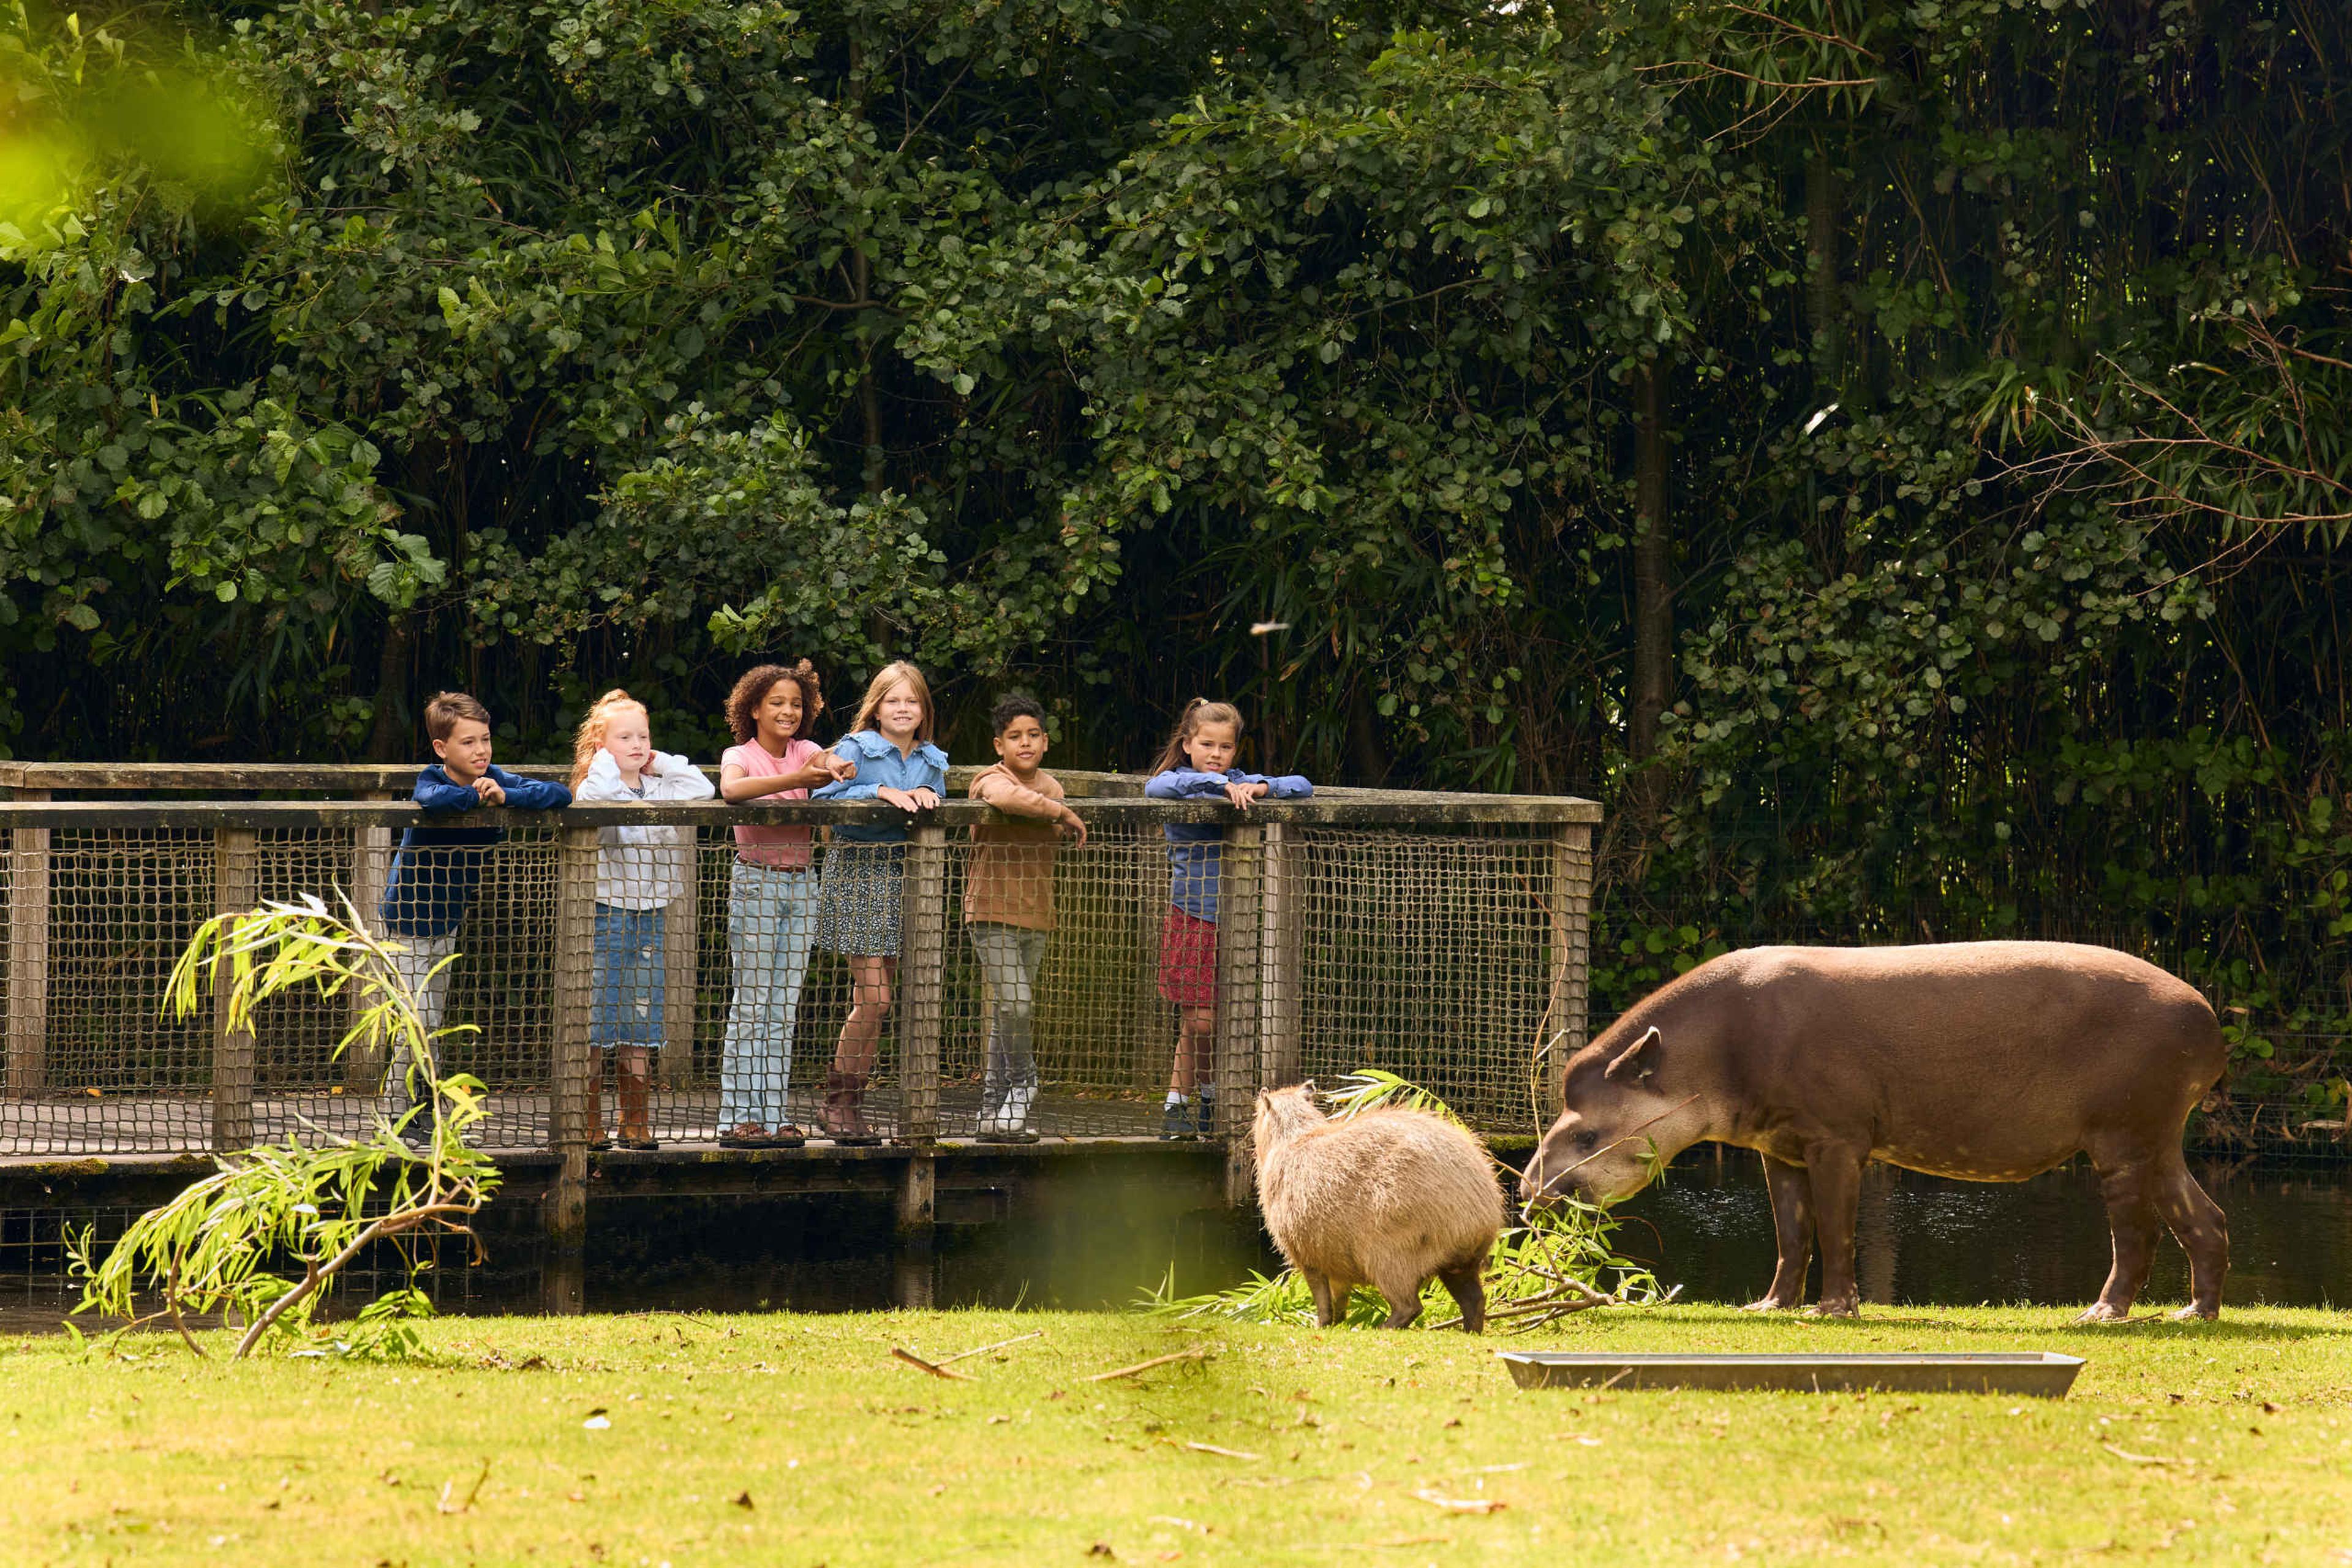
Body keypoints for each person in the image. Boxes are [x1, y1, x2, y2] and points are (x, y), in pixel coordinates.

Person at [378, 691, 571, 1141]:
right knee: (417, 1022)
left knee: (431, 1021)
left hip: (447, 923)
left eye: (485, 740)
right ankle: (397, 1117)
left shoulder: (496, 778)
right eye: (468, 743)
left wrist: (504, 794)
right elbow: (434, 801)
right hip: (406, 919)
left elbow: (559, 794)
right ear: (443, 749)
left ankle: (422, 1116)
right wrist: (479, 799)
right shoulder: (432, 778)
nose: (481, 751)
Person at [1144, 699, 1312, 1139]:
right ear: (1187, 744)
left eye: (1226, 747)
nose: (1217, 754)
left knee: (1221, 1017)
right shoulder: (1179, 781)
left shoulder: (1240, 780)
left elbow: (1303, 785)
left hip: (1237, 921)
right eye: (1206, 745)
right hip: (1192, 914)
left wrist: (1260, 788)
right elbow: (1153, 789)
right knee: (1199, 1019)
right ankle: (1207, 1094)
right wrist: (1216, 787)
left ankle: (1184, 1108)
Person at [714, 661, 853, 1148]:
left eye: (797, 703)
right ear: (754, 708)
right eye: (777, 702)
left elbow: (833, 763)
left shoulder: (810, 751)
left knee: (783, 1006)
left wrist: (838, 766)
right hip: (756, 881)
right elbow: (731, 790)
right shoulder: (741, 754)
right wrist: (797, 778)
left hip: (802, 884)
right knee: (751, 1004)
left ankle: (773, 1117)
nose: (788, 711)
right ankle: (737, 1118)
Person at [570, 689, 715, 1151]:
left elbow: (704, 790)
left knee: (641, 1017)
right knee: (596, 1015)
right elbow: (593, 797)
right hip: (606, 914)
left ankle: (635, 1121)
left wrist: (662, 760)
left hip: (650, 917)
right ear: (600, 744)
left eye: (643, 736)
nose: (636, 744)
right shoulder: (600, 783)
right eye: (624, 737)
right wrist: (604, 764)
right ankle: (588, 1121)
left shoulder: (661, 785)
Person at [810, 661, 948, 1144]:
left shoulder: (933, 758)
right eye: (894, 701)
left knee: (874, 1003)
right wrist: (882, 791)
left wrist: (929, 792)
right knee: (877, 998)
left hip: (904, 878)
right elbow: (822, 797)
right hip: (857, 871)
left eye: (912, 701)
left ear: (924, 709)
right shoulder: (856, 748)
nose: (903, 709)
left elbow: (937, 798)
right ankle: (837, 1102)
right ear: (877, 707)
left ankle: (850, 1102)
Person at [964, 695, 1088, 1142]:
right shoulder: (988, 778)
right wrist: (1063, 814)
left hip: (1036, 915)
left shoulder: (1052, 786)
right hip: (990, 911)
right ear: (999, 745)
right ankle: (1025, 1084)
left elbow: (1039, 801)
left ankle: (991, 1112)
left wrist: (1054, 807)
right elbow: (1007, 799)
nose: (1025, 743)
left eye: (1033, 735)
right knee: (1017, 1003)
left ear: (1046, 741)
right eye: (1015, 736)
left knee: (1006, 1014)